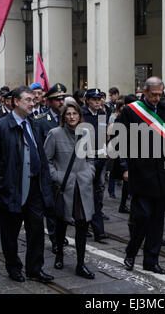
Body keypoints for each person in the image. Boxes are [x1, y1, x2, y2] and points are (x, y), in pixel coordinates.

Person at [0, 86, 55, 283]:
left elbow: (40, 155)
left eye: (34, 100)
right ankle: (13, 267)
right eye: (29, 100)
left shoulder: (34, 124)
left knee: (36, 231)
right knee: (10, 233)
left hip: (35, 188)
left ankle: (35, 269)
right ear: (16, 102)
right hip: (11, 189)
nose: (34, 103)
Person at [120, 77, 165, 275]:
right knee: (142, 217)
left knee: (157, 222)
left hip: (161, 174)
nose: (156, 98)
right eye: (153, 95)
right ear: (145, 91)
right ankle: (131, 252)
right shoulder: (131, 110)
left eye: (160, 94)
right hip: (140, 173)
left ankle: (151, 260)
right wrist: (125, 166)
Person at [44, 101, 96, 279]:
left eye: (75, 114)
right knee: (61, 224)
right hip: (64, 187)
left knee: (82, 225)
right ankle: (59, 255)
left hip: (83, 186)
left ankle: (81, 264)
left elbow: (91, 158)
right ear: (63, 117)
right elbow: (46, 160)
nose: (72, 117)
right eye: (68, 114)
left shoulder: (86, 133)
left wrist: (89, 173)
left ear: (79, 116)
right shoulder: (55, 134)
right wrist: (57, 176)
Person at [36, 83, 68, 253]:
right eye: (57, 99)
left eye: (63, 98)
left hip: (67, 170)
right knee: (52, 207)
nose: (61, 102)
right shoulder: (41, 122)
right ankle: (55, 239)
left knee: (65, 206)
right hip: (50, 170)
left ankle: (61, 235)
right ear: (49, 102)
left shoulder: (71, 118)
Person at [82, 89, 110, 244]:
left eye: (99, 99)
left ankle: (96, 228)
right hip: (86, 158)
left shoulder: (102, 114)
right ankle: (89, 228)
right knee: (87, 193)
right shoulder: (81, 114)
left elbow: (104, 134)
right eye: (94, 99)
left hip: (99, 157)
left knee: (98, 193)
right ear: (88, 100)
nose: (98, 102)